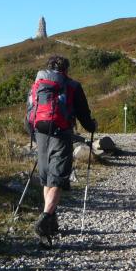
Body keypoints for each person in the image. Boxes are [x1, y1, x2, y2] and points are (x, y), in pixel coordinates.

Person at [26, 55, 96, 240]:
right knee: (58, 176)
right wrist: (91, 126)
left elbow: (30, 110)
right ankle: (45, 218)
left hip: (40, 133)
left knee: (46, 176)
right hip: (61, 132)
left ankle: (51, 220)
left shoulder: (37, 84)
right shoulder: (72, 85)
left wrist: (33, 134)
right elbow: (84, 114)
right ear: (65, 69)